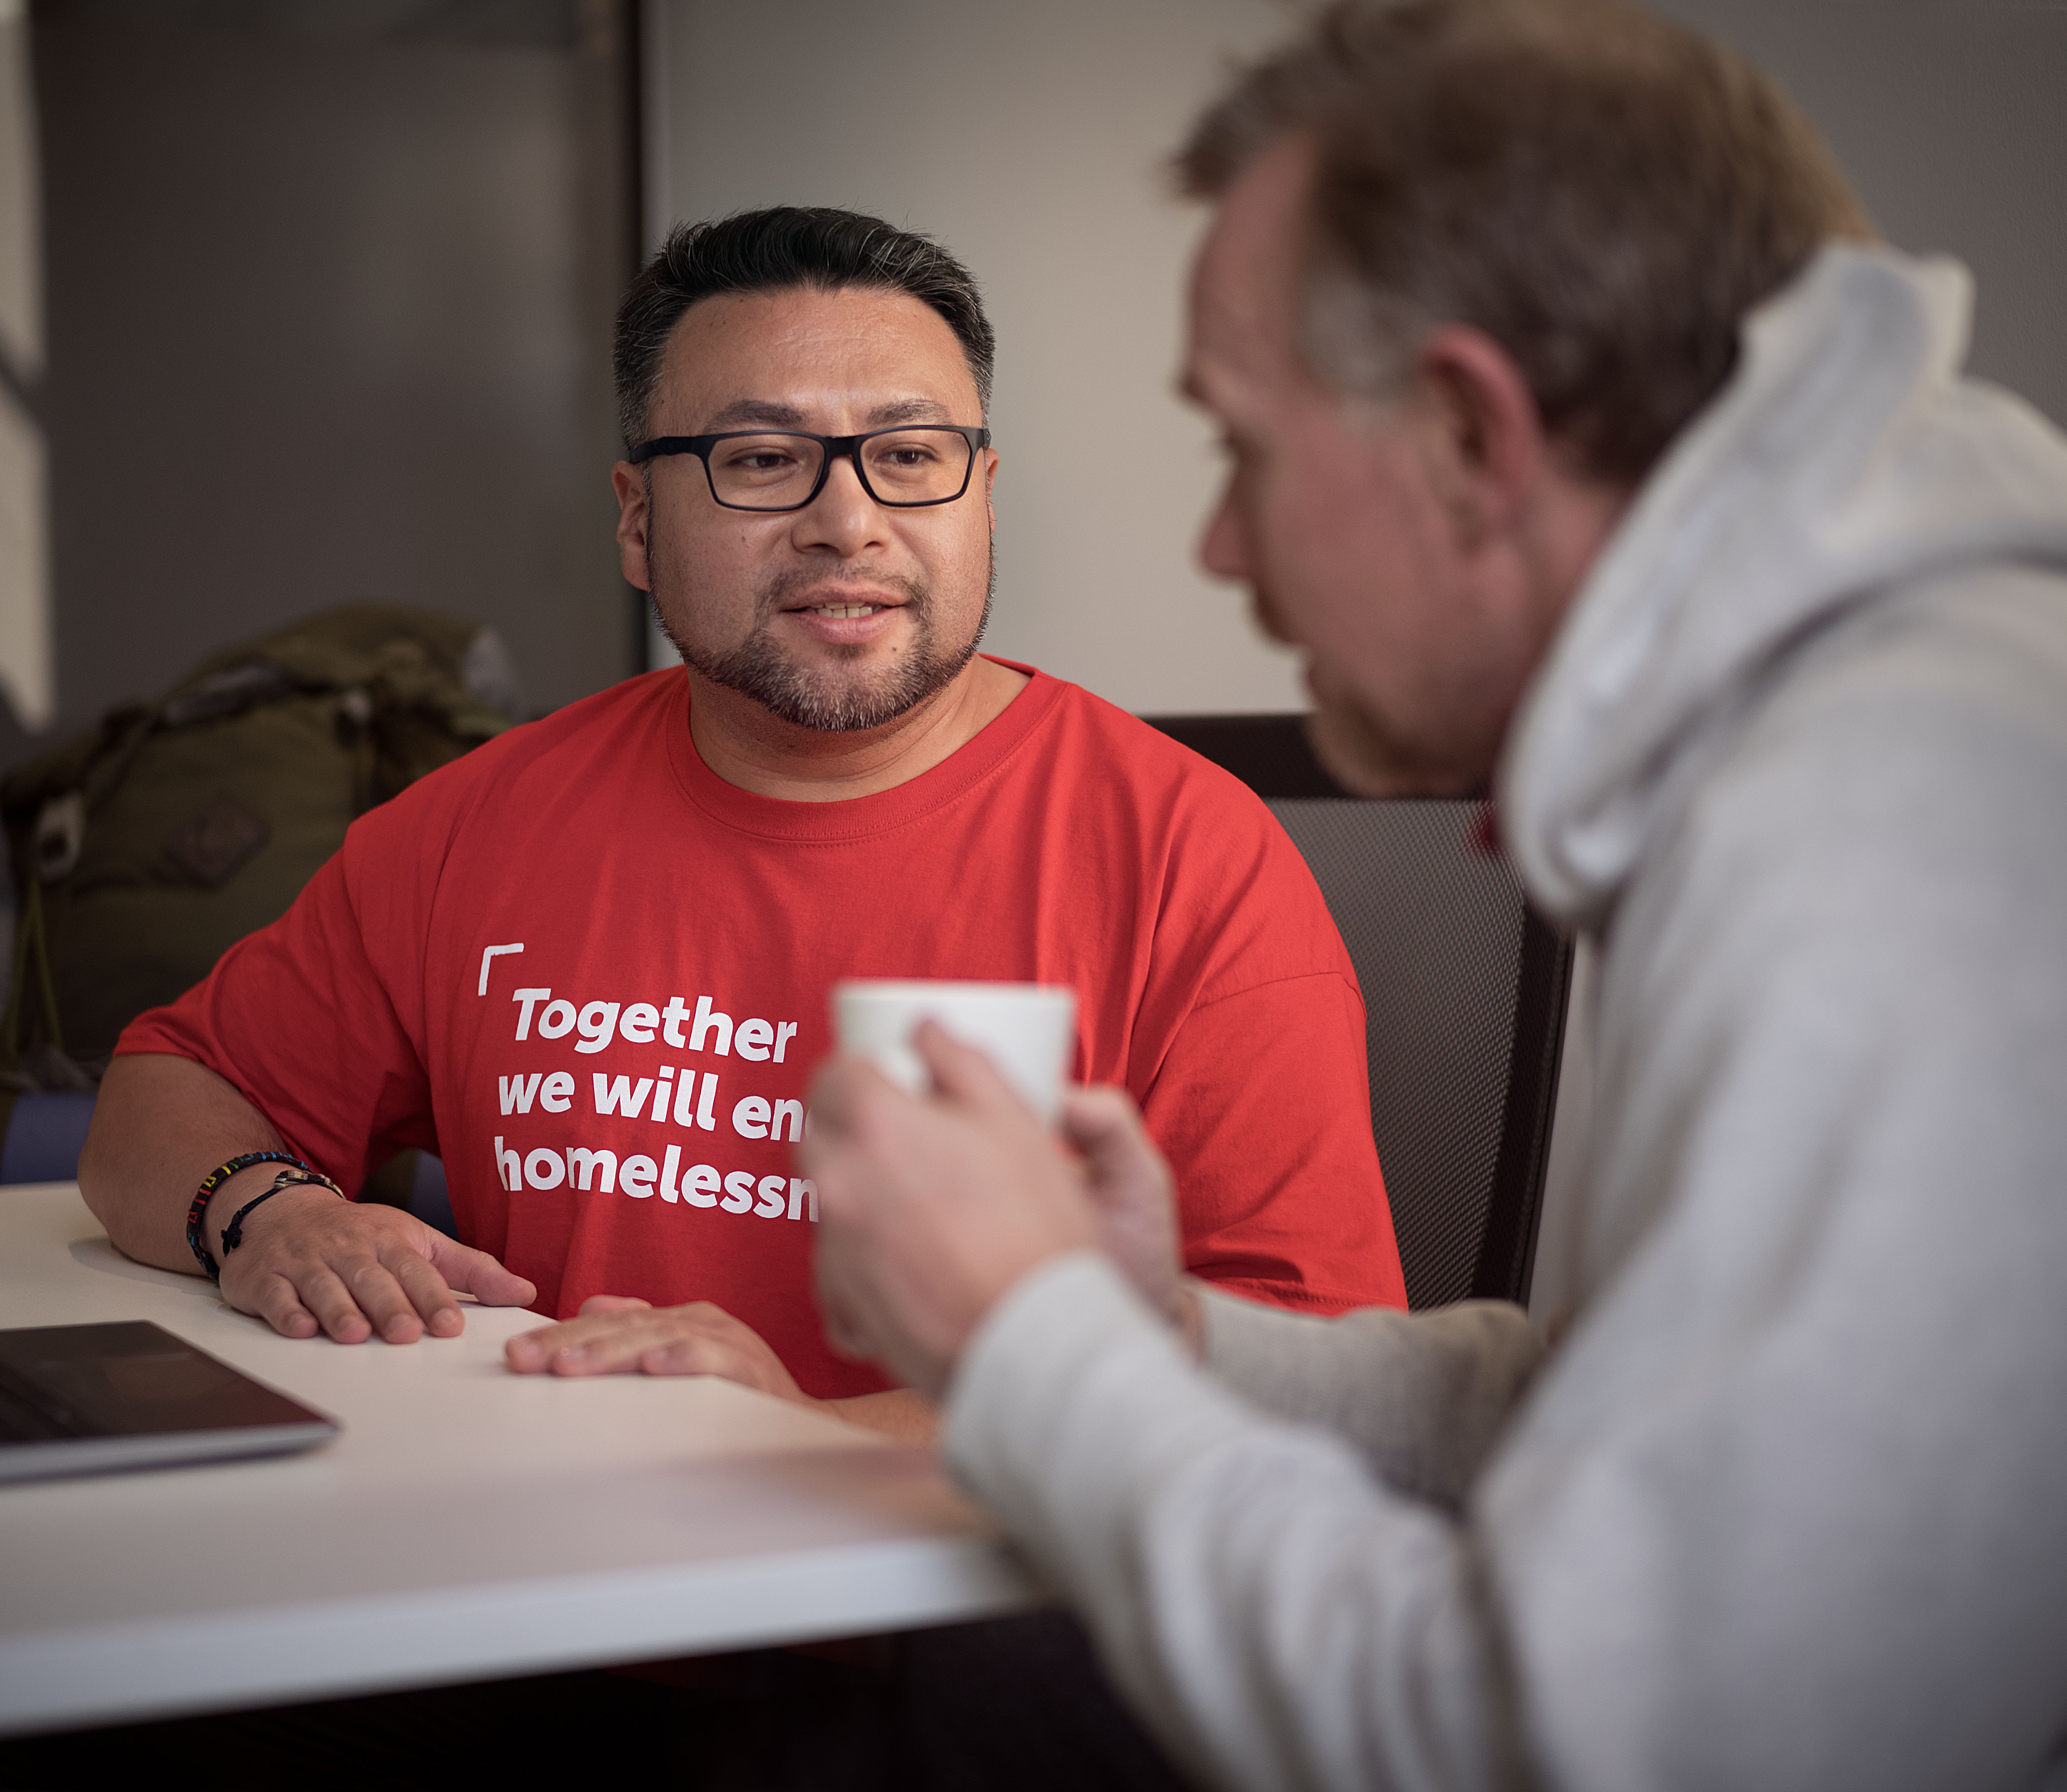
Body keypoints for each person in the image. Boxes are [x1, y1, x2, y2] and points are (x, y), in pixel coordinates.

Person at [801, 1, 2067, 1785]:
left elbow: (1589, 1755)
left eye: (1243, 448)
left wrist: (1027, 1345)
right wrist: (1168, 1335)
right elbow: (1661, 1410)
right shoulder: (1961, 710)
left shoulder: (1924, 838)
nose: (1219, 545)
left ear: (1469, 441)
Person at [78, 206, 1407, 1445]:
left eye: (911, 457)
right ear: (636, 521)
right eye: (763, 461)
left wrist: (799, 1433)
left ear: (983, 494)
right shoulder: (481, 823)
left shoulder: (1190, 861)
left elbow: (1309, 1378)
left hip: (963, 1588)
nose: (850, 523)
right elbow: (163, 1094)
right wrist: (268, 1209)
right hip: (545, 1564)